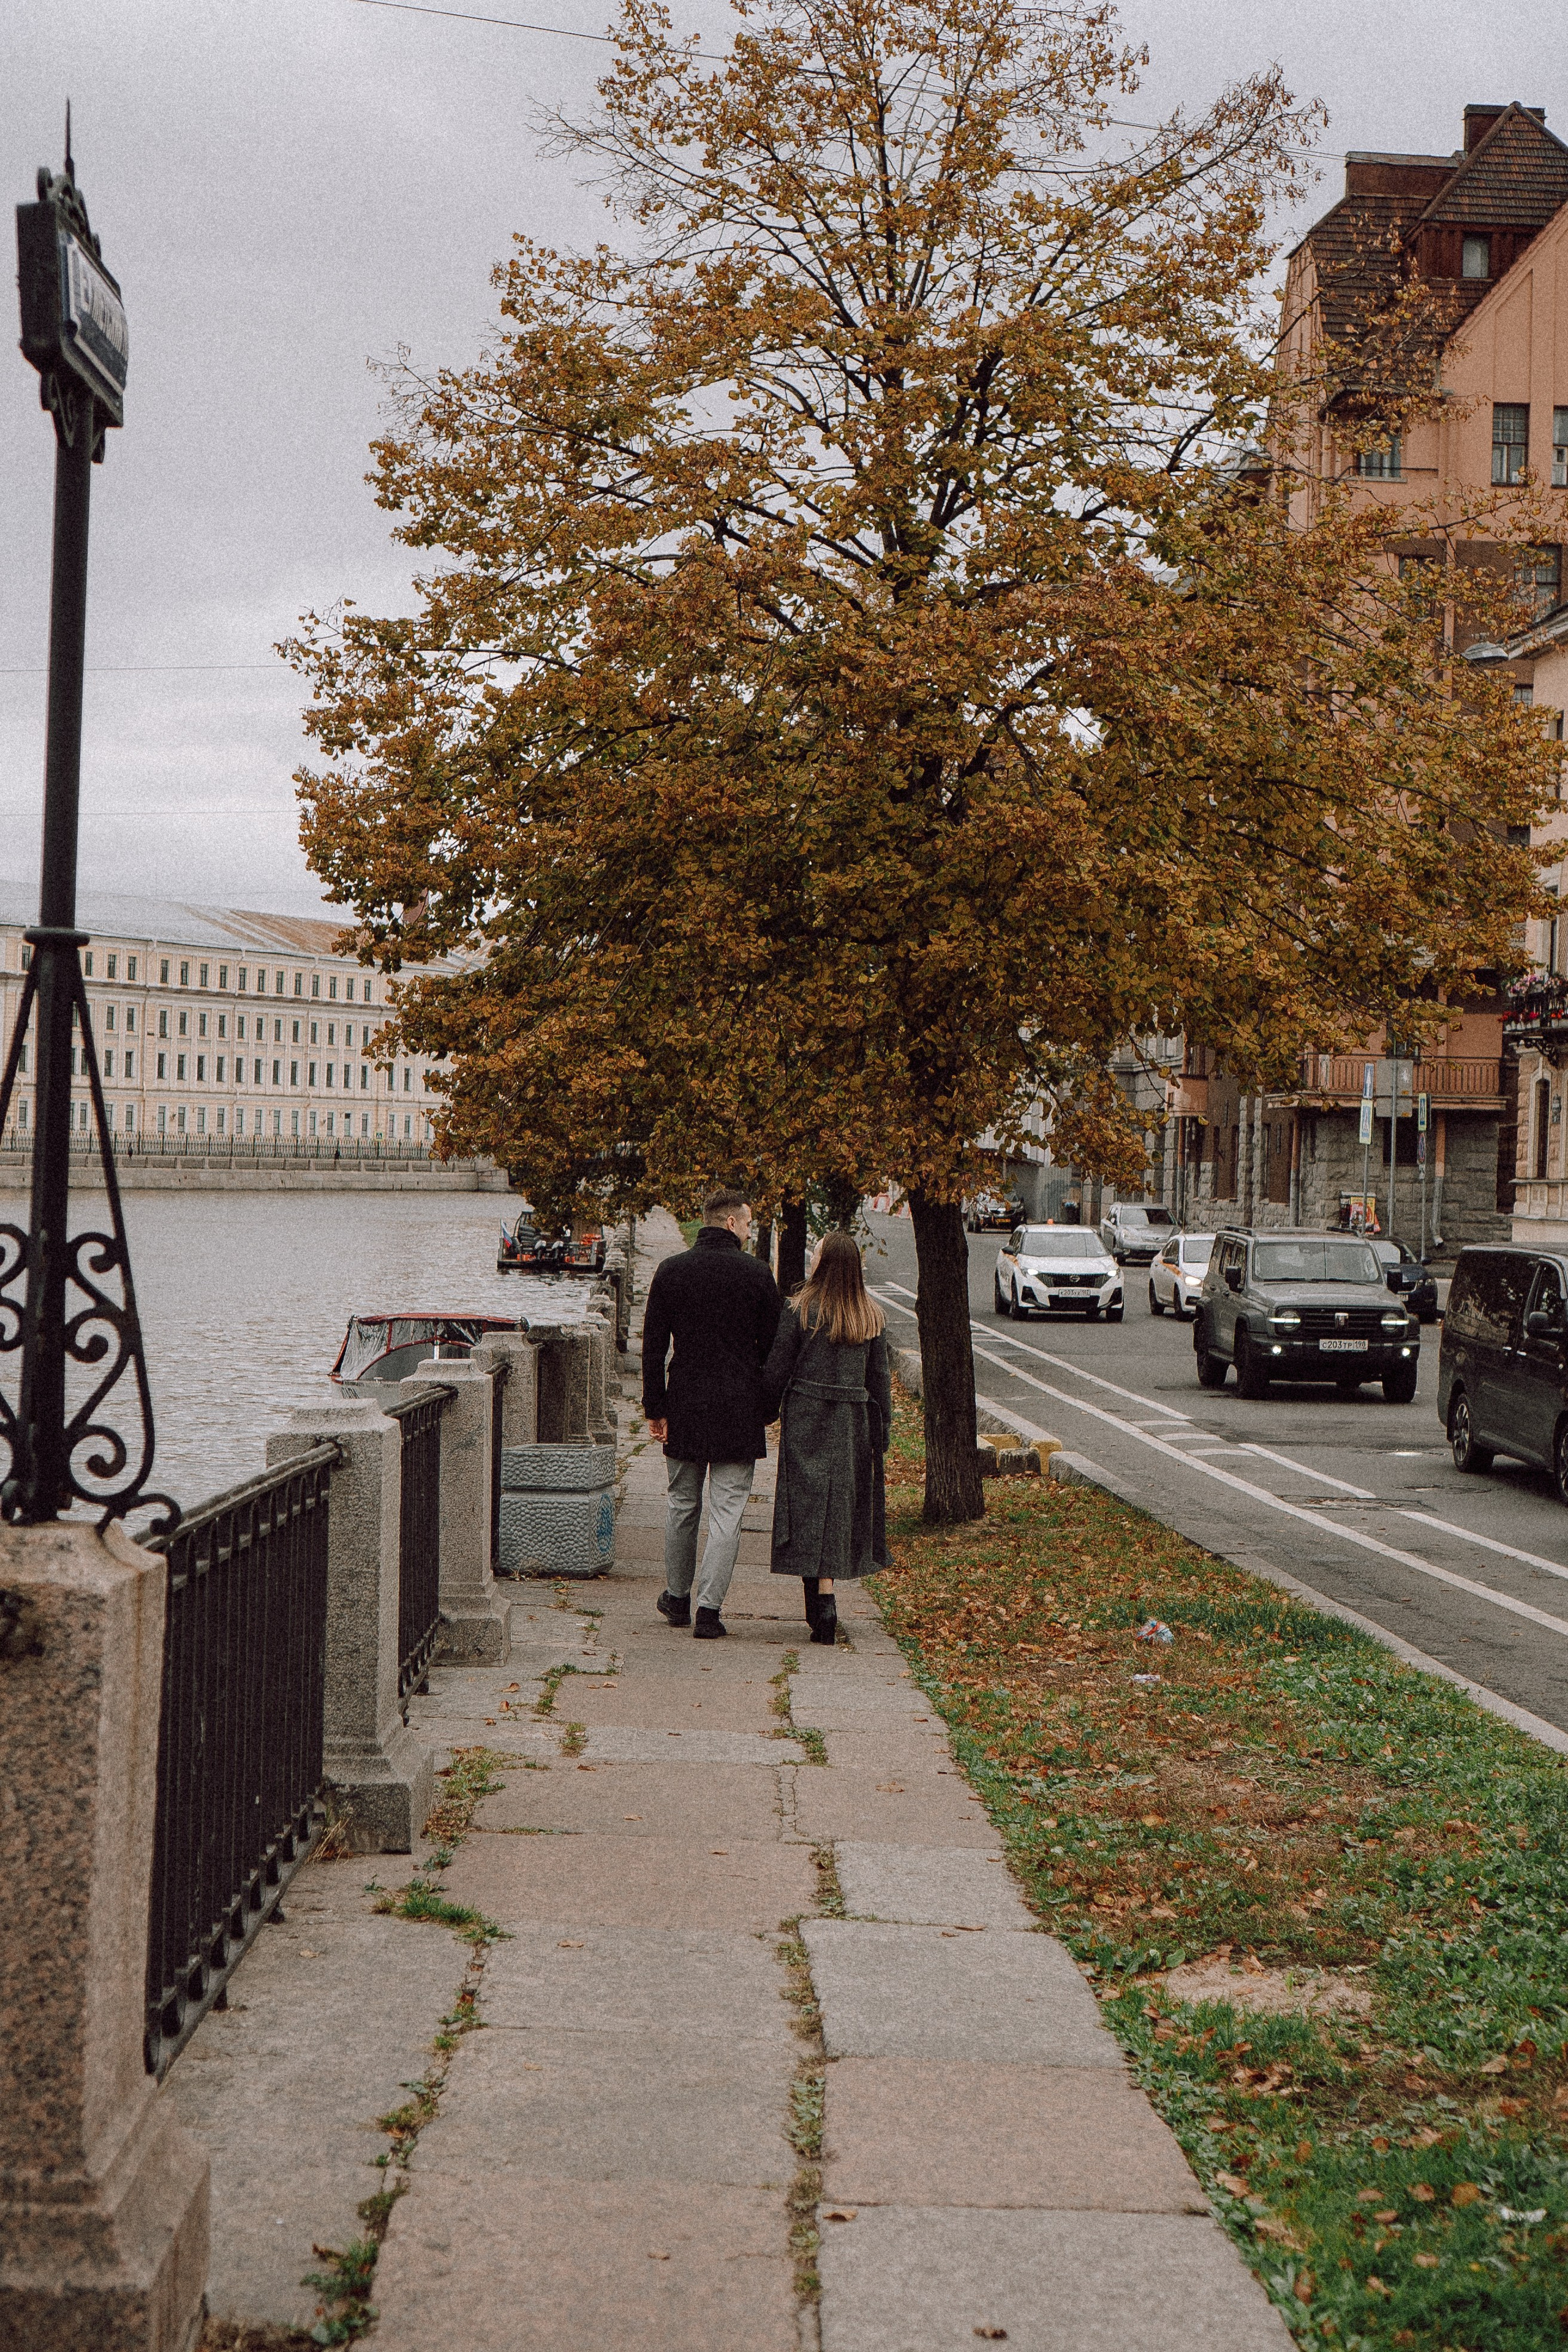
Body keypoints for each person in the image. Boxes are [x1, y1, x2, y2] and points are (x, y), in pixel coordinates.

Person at [641, 1186, 782, 1638]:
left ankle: (677, 1597)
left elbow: (653, 1348)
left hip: (685, 1402)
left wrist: (655, 1407)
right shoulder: (758, 1276)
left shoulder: (671, 1272)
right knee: (728, 1511)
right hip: (739, 1408)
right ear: (729, 1223)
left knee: (682, 1505)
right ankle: (710, 1611)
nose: (748, 1230)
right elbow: (775, 1349)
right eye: (747, 1223)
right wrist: (766, 1406)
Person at [762, 1229, 891, 1646]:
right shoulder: (870, 1316)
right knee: (838, 1508)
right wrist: (881, 1432)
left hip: (806, 1414)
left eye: (816, 1254)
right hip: (852, 1420)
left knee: (805, 1505)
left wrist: (765, 1409)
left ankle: (819, 1603)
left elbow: (778, 1367)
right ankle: (826, 1596)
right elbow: (880, 1382)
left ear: (823, 1263)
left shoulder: (800, 1309)